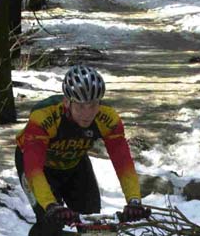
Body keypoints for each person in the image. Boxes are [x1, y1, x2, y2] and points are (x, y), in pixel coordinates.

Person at [15, 65, 147, 236]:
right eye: (81, 106)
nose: (88, 113)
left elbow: (123, 163)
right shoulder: (43, 117)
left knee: (91, 221)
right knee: (50, 221)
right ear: (67, 102)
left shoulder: (108, 118)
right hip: (37, 167)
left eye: (93, 105)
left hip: (74, 162)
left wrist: (134, 200)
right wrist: (51, 205)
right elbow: (34, 169)